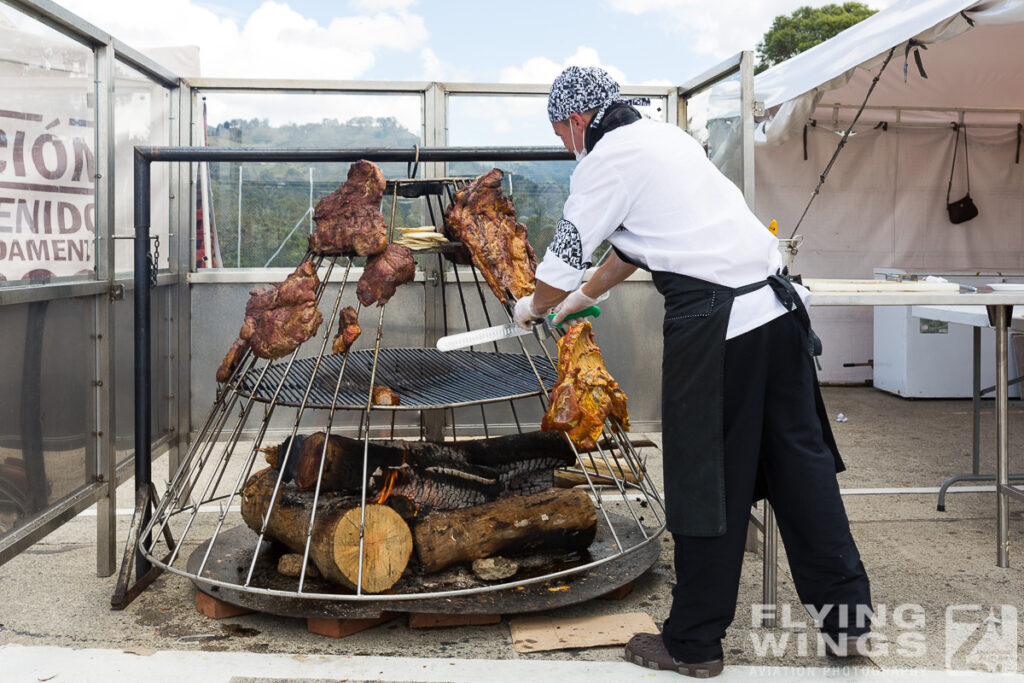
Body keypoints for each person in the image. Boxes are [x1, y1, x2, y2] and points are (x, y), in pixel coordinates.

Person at [513, 66, 873, 679]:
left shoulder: (603, 161)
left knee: (708, 479)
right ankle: (846, 622)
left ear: (575, 120)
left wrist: (538, 304)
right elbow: (632, 246)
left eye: (558, 132)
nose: (562, 143)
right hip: (779, 314)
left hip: (718, 325)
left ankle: (694, 642)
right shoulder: (668, 141)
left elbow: (560, 264)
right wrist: (580, 300)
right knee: (799, 467)